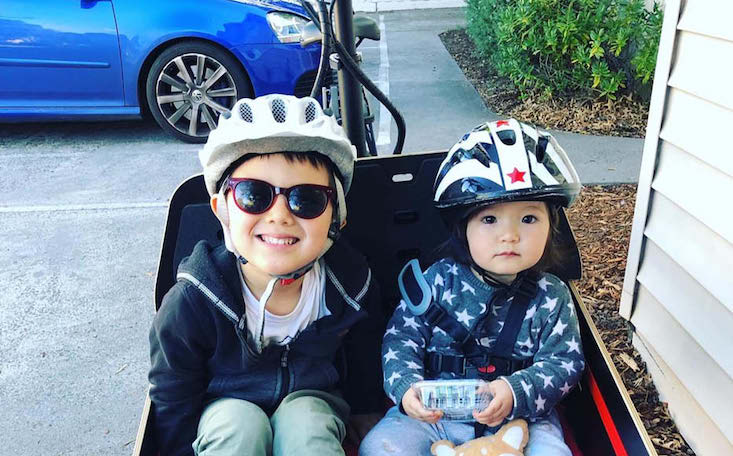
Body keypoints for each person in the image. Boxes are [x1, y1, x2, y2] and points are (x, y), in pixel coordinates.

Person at [148, 95, 385, 456]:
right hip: (223, 405)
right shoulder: (194, 300)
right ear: (223, 210)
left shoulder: (352, 285)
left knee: (307, 427)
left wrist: (366, 411)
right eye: (254, 195)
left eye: (307, 199)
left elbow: (365, 353)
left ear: (336, 218)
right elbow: (173, 393)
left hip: (313, 399)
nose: (280, 215)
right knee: (237, 427)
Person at [359, 119, 585, 456]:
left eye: (529, 218)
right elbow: (401, 341)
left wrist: (515, 390)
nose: (509, 235)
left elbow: (564, 361)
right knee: (380, 448)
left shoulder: (551, 296)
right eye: (489, 219)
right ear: (462, 228)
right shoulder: (436, 282)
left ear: (551, 226)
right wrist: (407, 388)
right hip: (436, 415)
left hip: (520, 417)